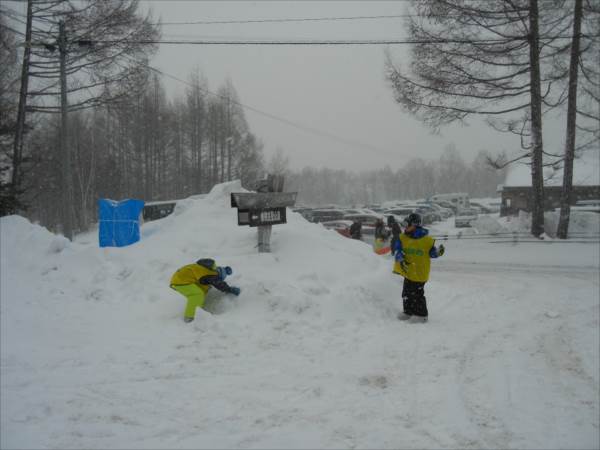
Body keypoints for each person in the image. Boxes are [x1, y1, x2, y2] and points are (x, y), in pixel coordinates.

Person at [392, 213, 445, 323]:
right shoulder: (403, 238)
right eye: (405, 224)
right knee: (406, 293)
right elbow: (397, 250)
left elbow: (432, 253)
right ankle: (408, 311)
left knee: (417, 295)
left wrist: (438, 252)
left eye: (408, 224)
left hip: (420, 272)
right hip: (408, 271)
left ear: (415, 225)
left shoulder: (426, 240)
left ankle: (421, 315)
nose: (405, 227)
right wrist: (400, 258)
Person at [170, 258, 241, 323]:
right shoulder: (211, 274)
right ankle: (190, 317)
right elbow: (219, 284)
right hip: (181, 280)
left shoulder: (205, 271)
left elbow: (203, 285)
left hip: (182, 279)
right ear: (218, 276)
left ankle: (199, 313)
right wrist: (229, 289)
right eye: (219, 279)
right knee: (197, 294)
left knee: (200, 294)